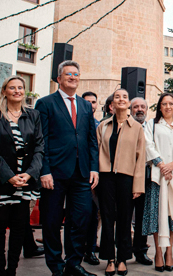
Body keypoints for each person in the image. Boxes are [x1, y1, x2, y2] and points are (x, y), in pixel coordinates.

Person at [35, 60, 99, 276]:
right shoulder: (45, 104)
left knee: (81, 218)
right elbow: (40, 140)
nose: (73, 77)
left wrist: (94, 167)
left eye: (76, 74)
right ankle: (56, 265)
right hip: (54, 173)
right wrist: (44, 170)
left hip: (81, 173)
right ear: (59, 79)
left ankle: (74, 262)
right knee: (52, 221)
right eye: (68, 74)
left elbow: (91, 139)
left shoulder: (84, 105)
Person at [0, 75, 44, 276]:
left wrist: (29, 174)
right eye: (12, 87)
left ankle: (12, 270)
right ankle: (0, 270)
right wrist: (9, 176)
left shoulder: (33, 115)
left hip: (25, 183)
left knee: (19, 229)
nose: (17, 91)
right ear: (4, 91)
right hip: (2, 182)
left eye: (20, 87)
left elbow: (39, 148)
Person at [96, 88, 146, 276]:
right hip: (106, 177)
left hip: (127, 177)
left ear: (129, 102)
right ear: (112, 103)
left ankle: (123, 258)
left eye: (125, 97)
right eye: (118, 97)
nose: (121, 99)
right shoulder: (103, 126)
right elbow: (97, 151)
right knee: (108, 218)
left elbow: (140, 159)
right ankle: (109, 258)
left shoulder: (137, 127)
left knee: (125, 219)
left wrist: (138, 185)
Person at [143, 93, 173, 272]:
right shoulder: (152, 125)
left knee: (172, 216)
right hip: (158, 176)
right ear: (160, 106)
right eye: (164, 104)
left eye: (171, 103)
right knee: (157, 215)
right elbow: (148, 145)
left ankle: (169, 252)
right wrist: (162, 165)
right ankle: (157, 252)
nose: (168, 107)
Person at [128, 97, 153, 265]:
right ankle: (122, 251)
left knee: (143, 216)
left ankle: (140, 250)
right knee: (124, 215)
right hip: (127, 176)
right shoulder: (126, 126)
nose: (139, 109)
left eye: (142, 107)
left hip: (147, 176)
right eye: (136, 106)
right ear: (130, 109)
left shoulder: (152, 128)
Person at [80, 91, 101, 266]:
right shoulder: (76, 122)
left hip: (94, 176)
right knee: (77, 216)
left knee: (94, 215)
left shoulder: (99, 125)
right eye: (87, 102)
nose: (91, 105)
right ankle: (76, 251)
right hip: (77, 175)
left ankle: (90, 250)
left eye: (93, 102)